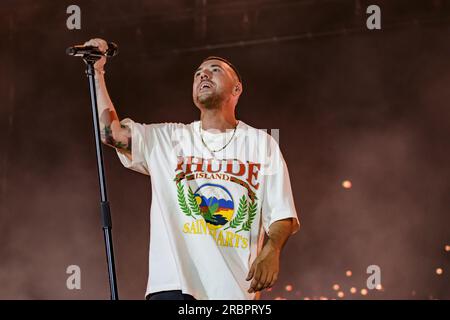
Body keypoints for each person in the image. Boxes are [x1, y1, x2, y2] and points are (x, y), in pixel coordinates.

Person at [84, 38, 300, 300]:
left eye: (215, 70)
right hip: (172, 286)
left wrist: (271, 250)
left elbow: (282, 214)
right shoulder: (168, 138)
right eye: (198, 73)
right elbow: (110, 133)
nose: (203, 75)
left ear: (237, 89)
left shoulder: (260, 143)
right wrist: (97, 72)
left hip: (232, 291)